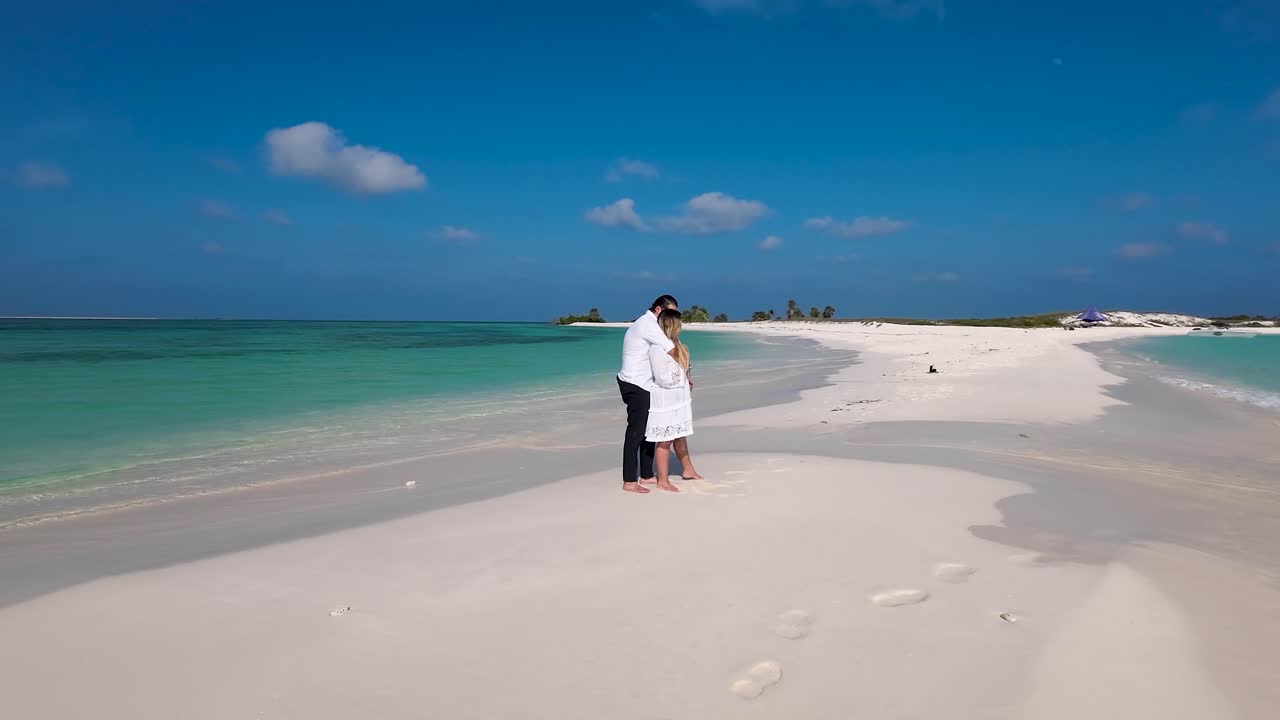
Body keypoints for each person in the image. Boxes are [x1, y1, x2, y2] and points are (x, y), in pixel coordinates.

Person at [617, 295, 680, 494]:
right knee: (635, 432)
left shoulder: (649, 324)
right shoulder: (647, 324)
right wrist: (684, 371)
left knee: (648, 431)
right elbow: (670, 348)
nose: (672, 317)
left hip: (644, 384)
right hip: (635, 384)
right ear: (659, 310)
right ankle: (629, 481)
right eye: (670, 313)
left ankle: (646, 474)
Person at [644, 309, 696, 492]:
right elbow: (662, 377)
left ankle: (688, 470)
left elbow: (680, 368)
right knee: (664, 440)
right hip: (665, 399)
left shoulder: (676, 344)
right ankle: (663, 480)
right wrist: (680, 374)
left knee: (680, 435)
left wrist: (686, 377)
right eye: (679, 324)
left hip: (679, 397)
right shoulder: (657, 348)